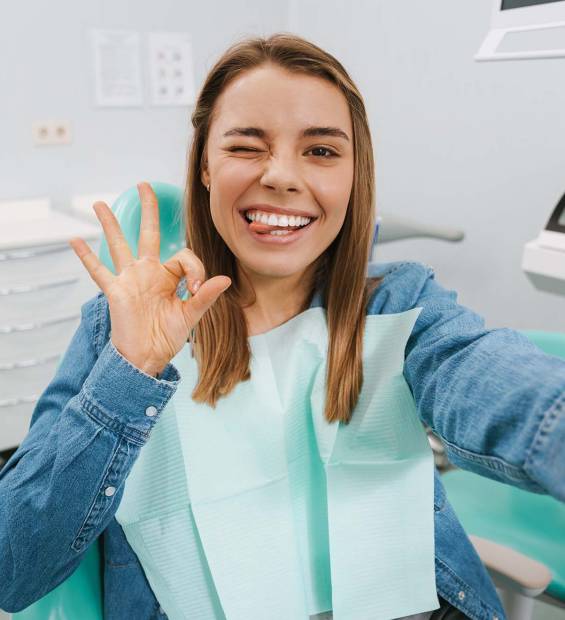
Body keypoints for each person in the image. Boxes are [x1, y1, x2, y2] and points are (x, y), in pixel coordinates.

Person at [0, 33, 563, 620]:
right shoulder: (114, 333)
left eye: (321, 151)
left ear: (353, 176)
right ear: (205, 169)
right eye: (247, 147)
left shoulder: (399, 305)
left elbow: (511, 393)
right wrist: (129, 373)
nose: (283, 176)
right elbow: (12, 570)